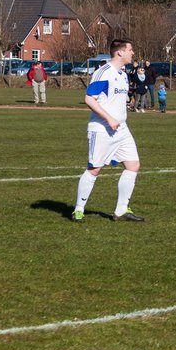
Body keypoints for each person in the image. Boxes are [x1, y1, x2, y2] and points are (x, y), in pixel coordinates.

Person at [72, 37, 144, 223]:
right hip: (102, 129)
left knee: (133, 165)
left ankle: (120, 211)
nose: (132, 53)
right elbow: (89, 99)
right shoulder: (104, 72)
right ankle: (78, 210)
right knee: (94, 169)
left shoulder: (123, 74)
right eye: (130, 49)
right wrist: (109, 118)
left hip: (121, 129)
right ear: (120, 52)